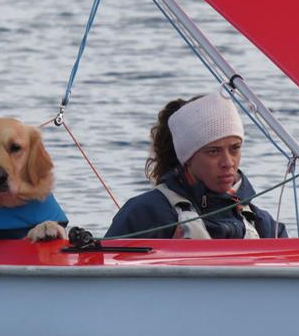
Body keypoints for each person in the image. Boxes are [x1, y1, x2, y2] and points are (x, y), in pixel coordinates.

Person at [105, 91, 288, 239]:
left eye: (234, 148)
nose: (228, 163)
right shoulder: (145, 214)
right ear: (188, 157)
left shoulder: (266, 226)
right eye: (213, 151)